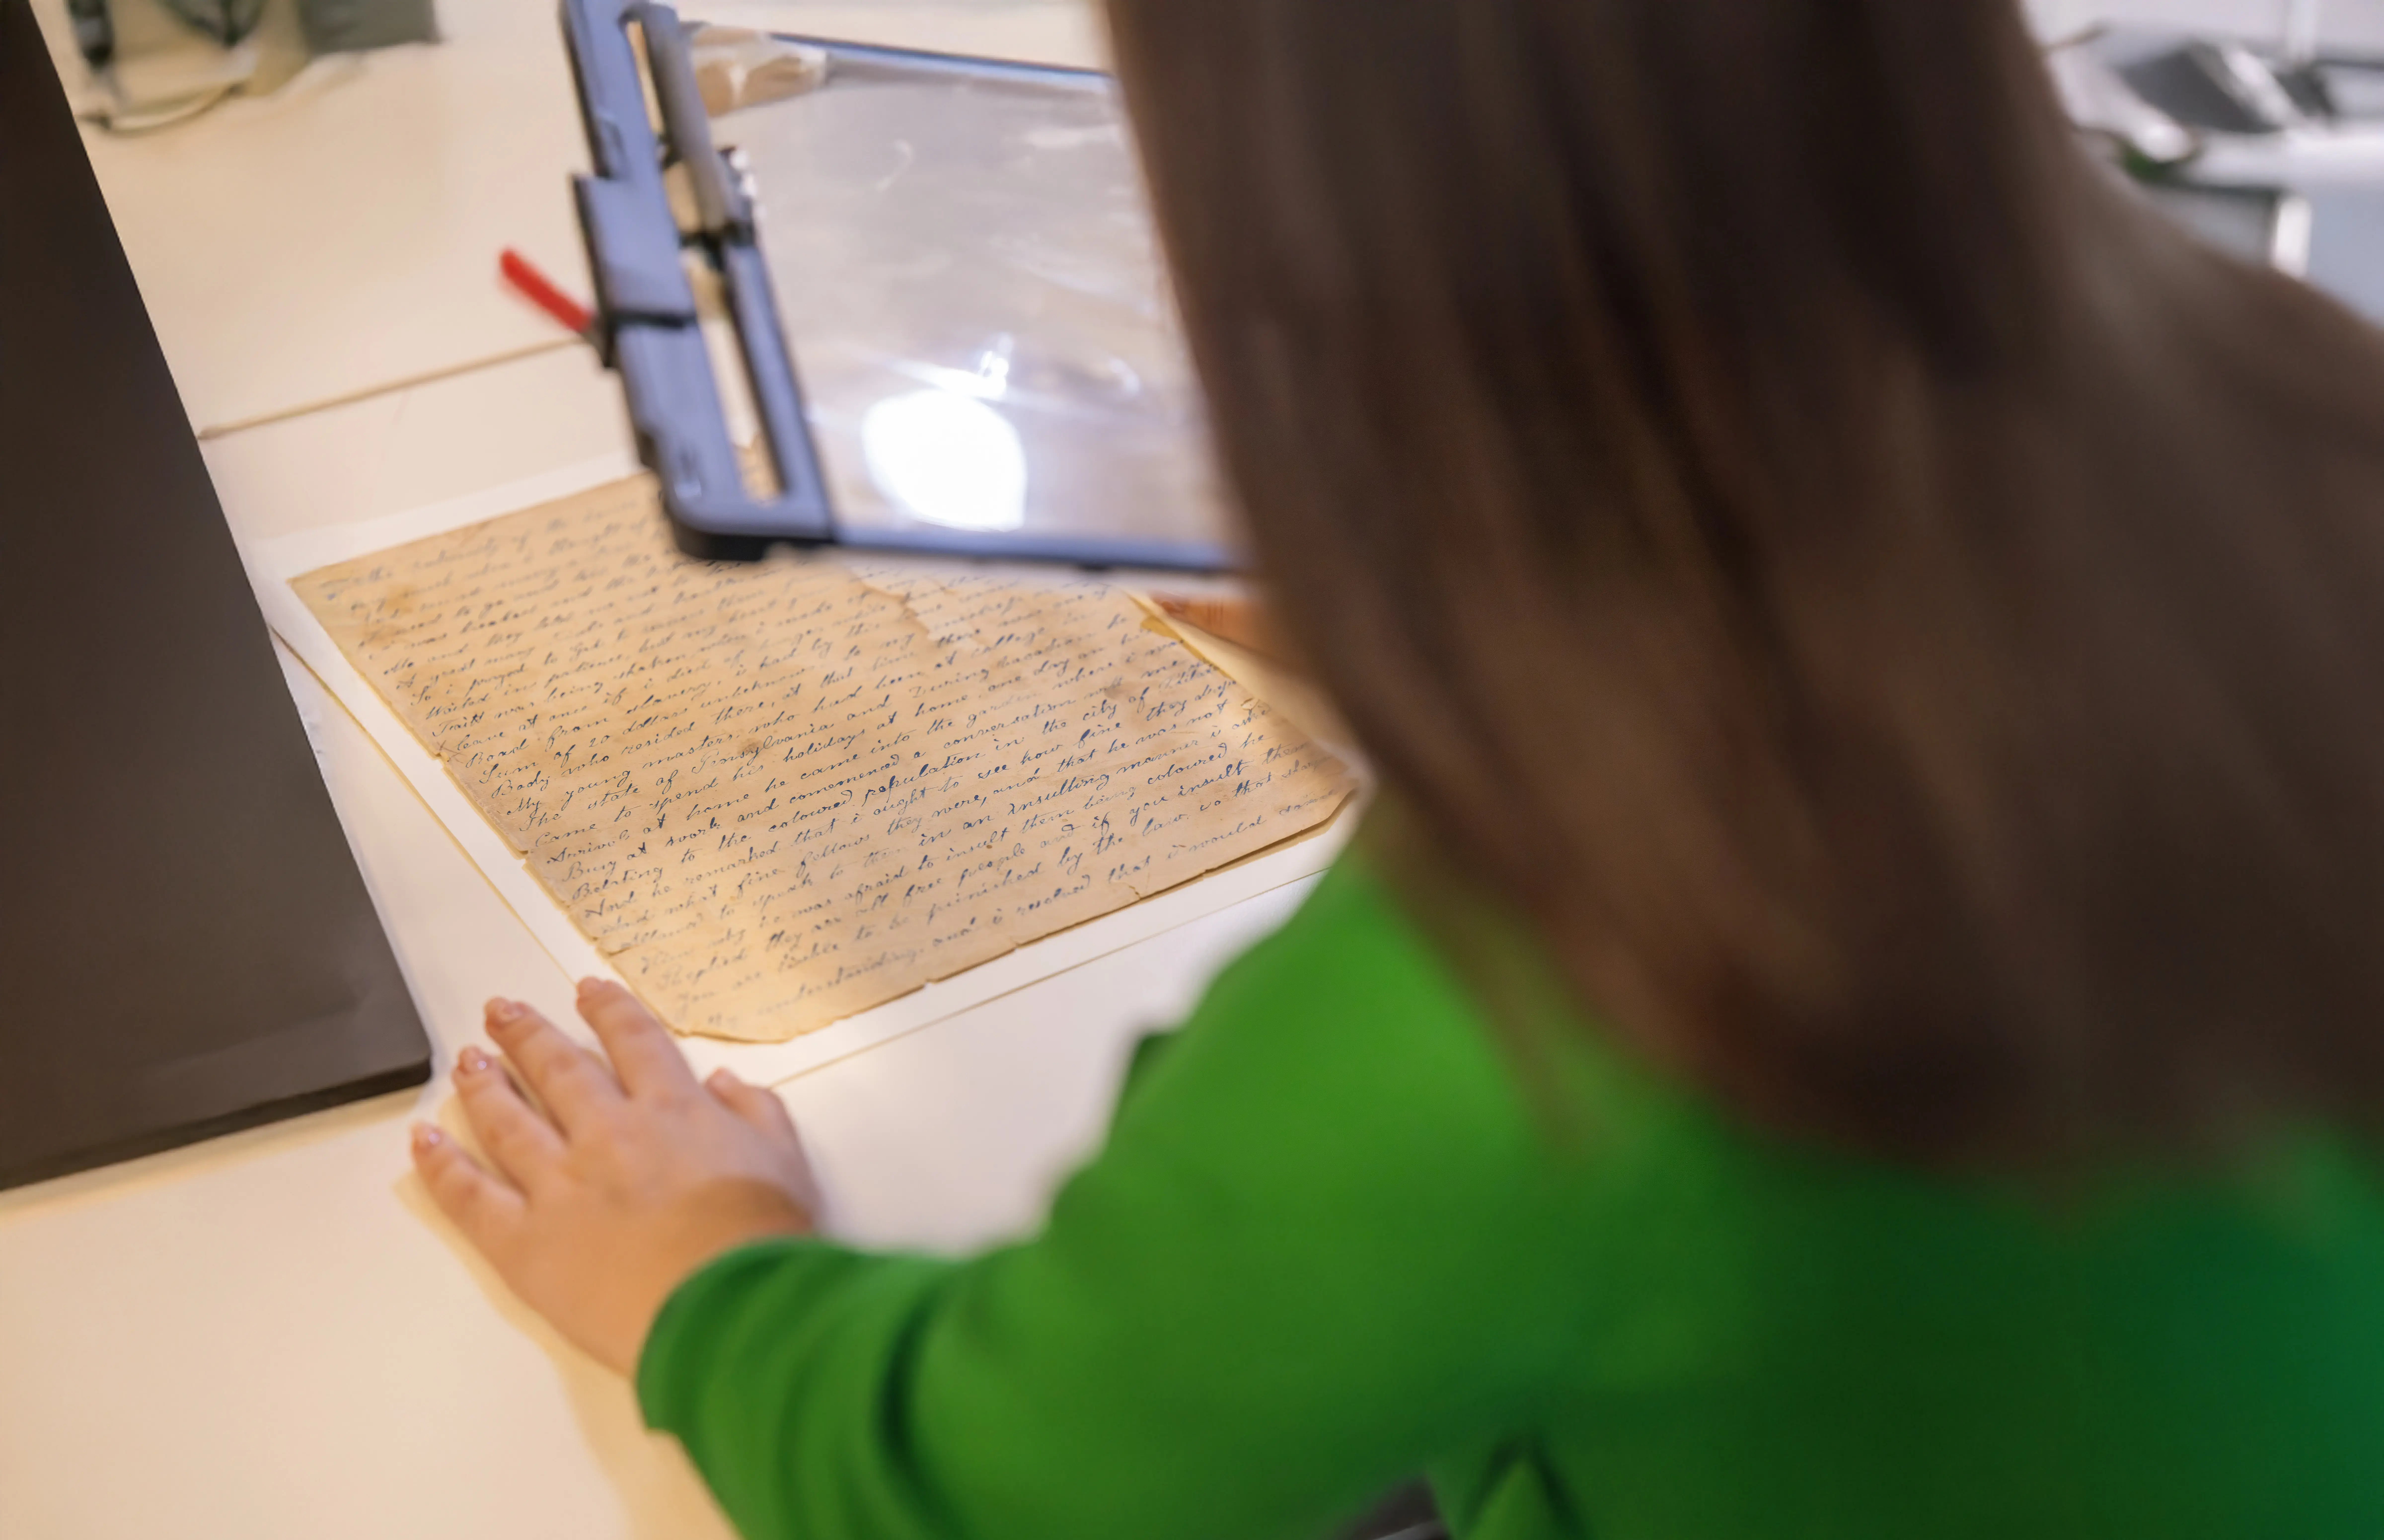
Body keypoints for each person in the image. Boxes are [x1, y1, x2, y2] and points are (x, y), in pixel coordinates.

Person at [409, 2, 2384, 1535]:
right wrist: (1458, 596)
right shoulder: (2298, 399)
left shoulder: (1552, 999)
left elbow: (985, 1487)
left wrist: (692, 1263)